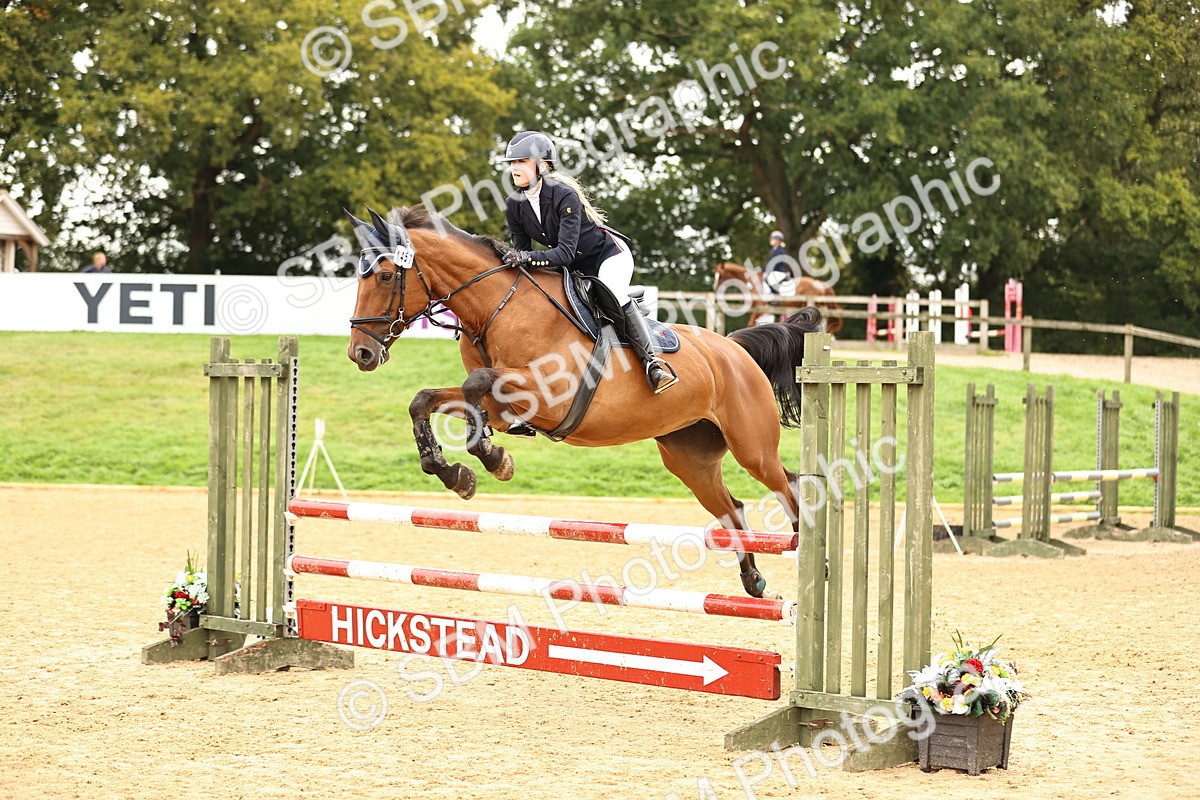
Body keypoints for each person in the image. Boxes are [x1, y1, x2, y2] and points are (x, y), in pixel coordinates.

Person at [500, 130, 678, 398]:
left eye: (521, 161)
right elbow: (523, 252)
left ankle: (653, 365)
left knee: (612, 292)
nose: (514, 168)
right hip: (575, 266)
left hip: (608, 257)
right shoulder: (514, 205)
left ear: (542, 165)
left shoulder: (563, 195)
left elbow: (564, 253)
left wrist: (526, 257)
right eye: (512, 162)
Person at [763, 231, 794, 295]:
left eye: (773, 239)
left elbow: (776, 263)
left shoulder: (780, 250)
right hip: (773, 271)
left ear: (778, 240)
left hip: (779, 271)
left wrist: (768, 271)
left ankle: (775, 296)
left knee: (769, 279)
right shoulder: (773, 250)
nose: (771, 240)